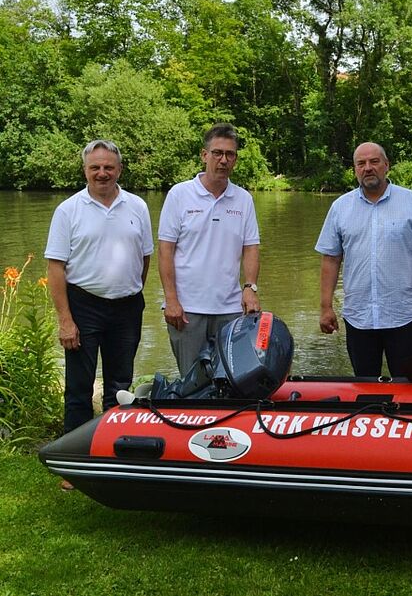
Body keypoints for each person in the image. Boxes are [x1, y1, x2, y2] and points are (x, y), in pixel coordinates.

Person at [45, 140, 153, 490]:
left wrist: (131, 289)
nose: (102, 173)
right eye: (95, 167)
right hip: (84, 305)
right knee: (78, 388)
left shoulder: (137, 205)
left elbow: (145, 256)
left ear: (119, 169)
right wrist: (66, 319)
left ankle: (109, 456)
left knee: (120, 386)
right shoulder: (68, 210)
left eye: (109, 167)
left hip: (127, 307)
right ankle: (74, 467)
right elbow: (56, 268)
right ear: (85, 170)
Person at [316, 142, 412, 377]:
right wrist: (326, 307)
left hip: (403, 315)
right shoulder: (340, 207)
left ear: (386, 166)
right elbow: (331, 259)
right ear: (354, 170)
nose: (368, 168)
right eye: (361, 163)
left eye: (374, 162)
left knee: (408, 385)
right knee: (364, 385)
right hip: (358, 317)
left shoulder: (411, 202)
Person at [158, 123, 261, 377]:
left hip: (230, 309)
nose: (223, 160)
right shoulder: (179, 195)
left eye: (230, 154)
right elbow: (165, 251)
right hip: (187, 310)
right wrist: (171, 299)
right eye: (217, 153)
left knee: (231, 378)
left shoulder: (243, 199)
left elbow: (251, 247)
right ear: (204, 155)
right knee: (192, 381)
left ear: (235, 159)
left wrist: (250, 287)